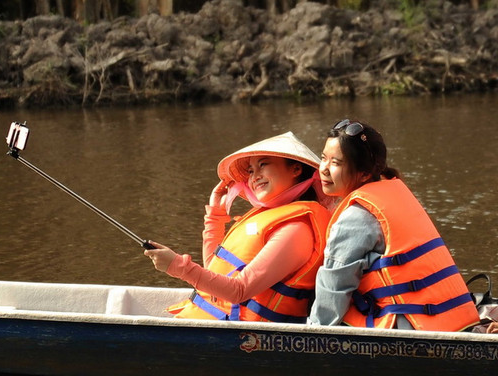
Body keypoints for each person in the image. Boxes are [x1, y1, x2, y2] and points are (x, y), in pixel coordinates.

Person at [307, 119, 480, 331]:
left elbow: (334, 287)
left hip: (411, 326)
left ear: (364, 173)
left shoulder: (356, 216)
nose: (323, 169)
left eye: (336, 163)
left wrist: (313, 331)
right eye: (324, 158)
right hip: (454, 319)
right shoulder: (395, 192)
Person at [145, 132, 332, 323]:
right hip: (215, 323)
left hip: (244, 335)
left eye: (263, 165)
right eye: (251, 171)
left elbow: (238, 291)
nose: (255, 176)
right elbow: (215, 272)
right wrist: (215, 218)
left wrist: (177, 266)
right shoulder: (267, 216)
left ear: (296, 169)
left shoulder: (296, 230)